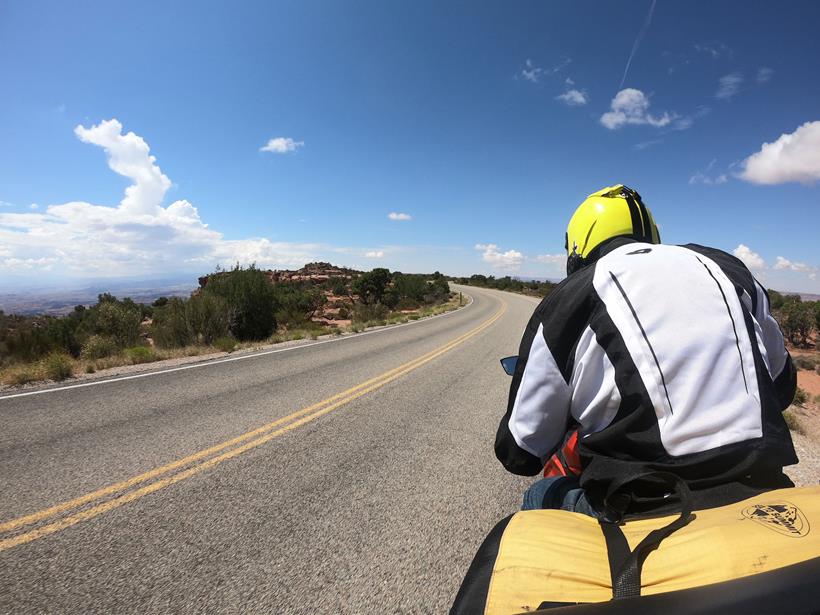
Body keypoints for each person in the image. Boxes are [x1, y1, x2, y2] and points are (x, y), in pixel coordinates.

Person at [495, 184, 798, 519]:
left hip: (639, 503)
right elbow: (782, 385)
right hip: (761, 482)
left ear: (578, 245)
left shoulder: (572, 296)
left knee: (539, 493)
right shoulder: (731, 269)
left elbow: (520, 451)